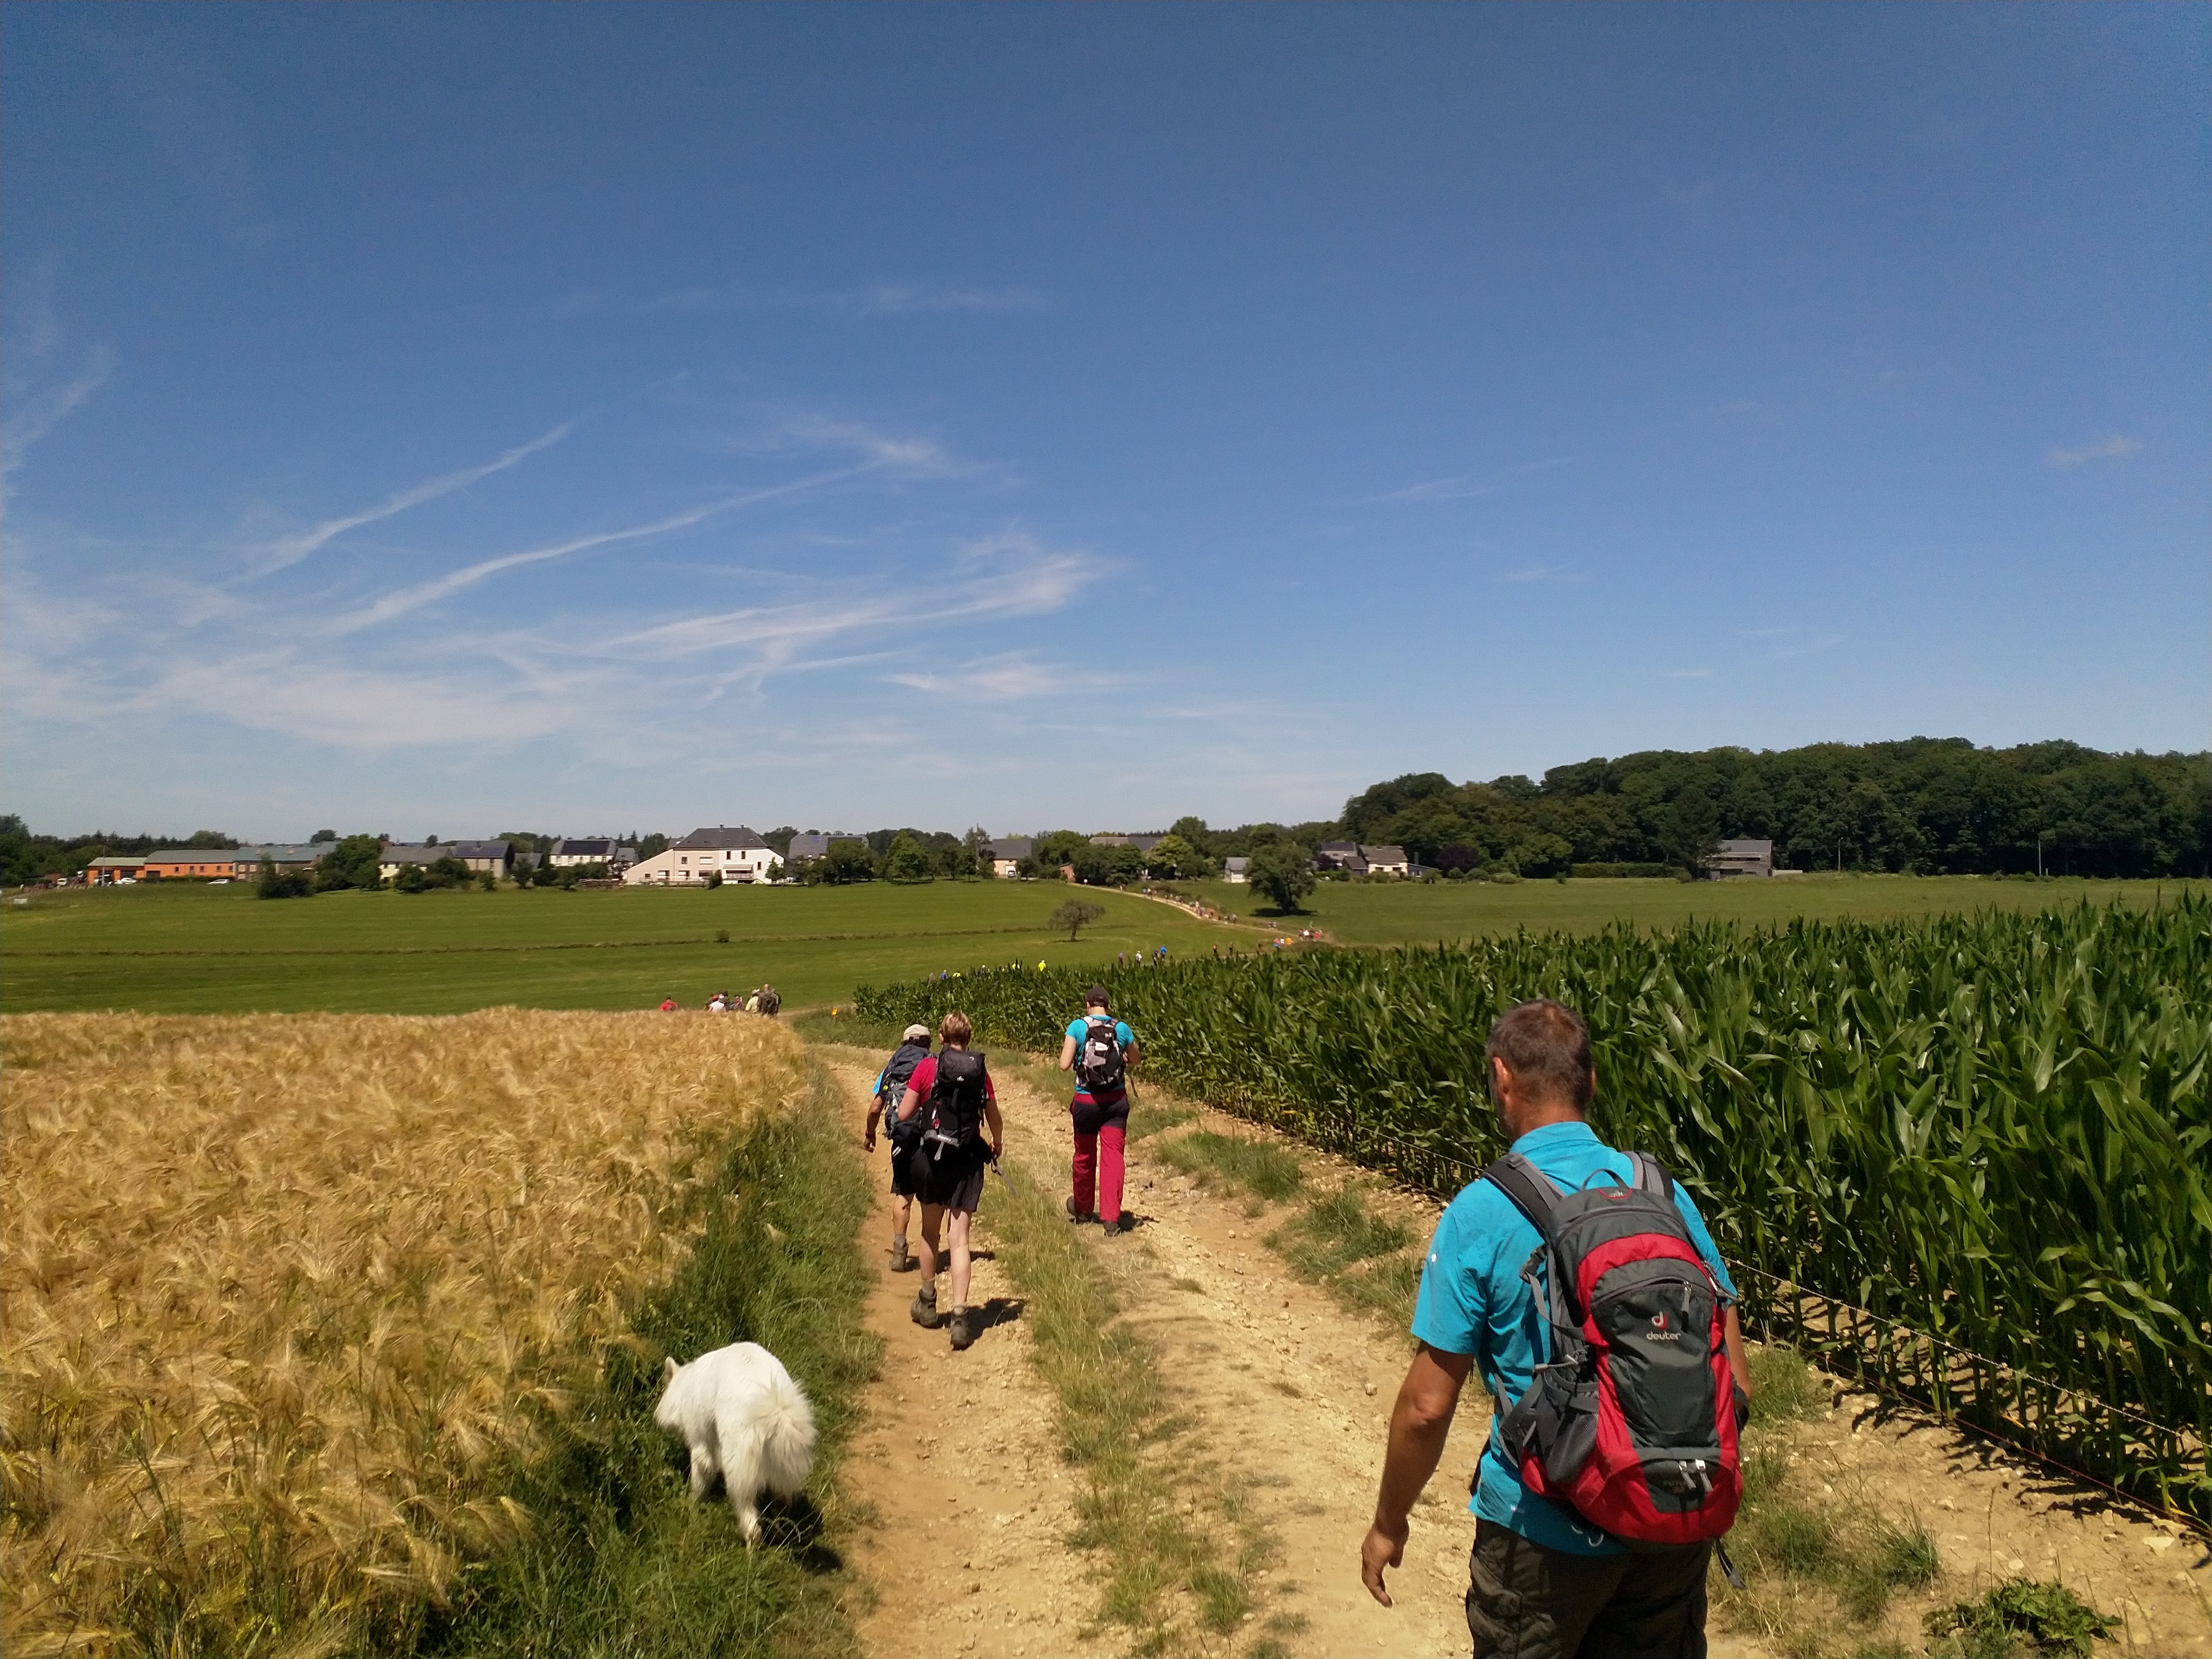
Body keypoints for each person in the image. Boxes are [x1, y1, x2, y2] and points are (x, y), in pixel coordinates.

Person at [1360, 999, 1749, 1657]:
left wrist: (1388, 1523)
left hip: (1538, 1537)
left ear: (1501, 1078)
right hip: (1669, 1523)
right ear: (1591, 1082)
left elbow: (1427, 1409)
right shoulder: (1661, 1191)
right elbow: (1733, 1378)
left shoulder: (1482, 1209)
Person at [894, 1012, 1004, 1351]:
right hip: (967, 1162)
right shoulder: (979, 1071)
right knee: (959, 1239)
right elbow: (994, 1117)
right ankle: (959, 1318)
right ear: (969, 1038)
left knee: (930, 1233)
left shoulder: (928, 1068)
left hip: (930, 1160)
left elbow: (904, 1114)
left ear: (942, 1037)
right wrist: (996, 1144)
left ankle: (928, 1303)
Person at [1056, 985, 1139, 1233]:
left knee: (1084, 1154)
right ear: (1108, 1006)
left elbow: (1064, 1064)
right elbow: (1136, 1059)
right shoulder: (1121, 1029)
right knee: (1113, 1156)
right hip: (1115, 1102)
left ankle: (1083, 1208)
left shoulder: (1077, 1027)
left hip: (1086, 1103)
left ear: (1088, 1004)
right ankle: (1112, 1220)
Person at [865, 1024, 934, 1271]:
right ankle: (930, 1253)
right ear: (928, 1043)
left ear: (905, 1043)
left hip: (903, 1137)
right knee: (929, 1200)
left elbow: (875, 1108)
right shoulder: (933, 1064)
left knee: (903, 1194)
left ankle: (899, 1250)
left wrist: (870, 1133)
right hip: (930, 1140)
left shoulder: (892, 1067)